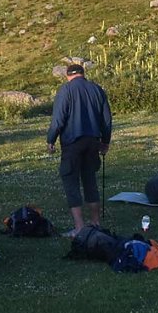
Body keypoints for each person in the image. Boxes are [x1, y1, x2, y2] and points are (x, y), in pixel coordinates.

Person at [46, 62, 112, 237]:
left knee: (71, 181)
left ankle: (79, 227)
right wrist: (105, 142)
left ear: (68, 76)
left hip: (72, 143)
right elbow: (106, 120)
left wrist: (50, 139)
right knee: (90, 179)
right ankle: (96, 222)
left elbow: (58, 120)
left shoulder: (65, 90)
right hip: (93, 141)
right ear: (83, 74)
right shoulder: (97, 89)